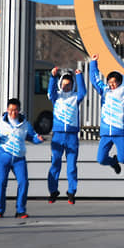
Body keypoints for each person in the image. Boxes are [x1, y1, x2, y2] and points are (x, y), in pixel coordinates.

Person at [0, 98, 44, 218]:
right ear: (7, 109)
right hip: (3, 158)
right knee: (1, 183)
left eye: (15, 110)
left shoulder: (25, 124)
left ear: (19, 110)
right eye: (11, 110)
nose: (13, 113)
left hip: (19, 158)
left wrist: (39, 139)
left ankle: (20, 210)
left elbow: (32, 137)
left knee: (24, 182)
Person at [89, 54, 124, 174]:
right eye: (110, 82)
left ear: (120, 81)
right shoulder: (105, 91)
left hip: (120, 132)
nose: (112, 85)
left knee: (123, 158)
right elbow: (95, 79)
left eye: (114, 82)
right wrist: (93, 63)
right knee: (101, 159)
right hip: (106, 132)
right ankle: (113, 162)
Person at [47, 67, 87, 204]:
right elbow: (50, 92)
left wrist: (79, 76)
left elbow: (83, 92)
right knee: (55, 163)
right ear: (60, 84)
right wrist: (53, 77)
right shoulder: (56, 97)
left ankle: (71, 192)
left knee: (71, 166)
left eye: (69, 84)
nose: (66, 86)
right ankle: (53, 191)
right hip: (57, 135)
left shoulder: (76, 97)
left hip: (72, 136)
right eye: (63, 84)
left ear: (72, 85)